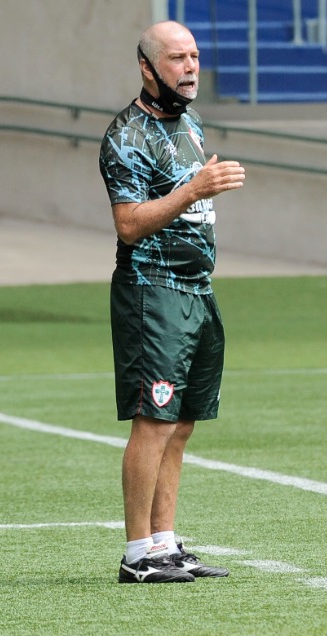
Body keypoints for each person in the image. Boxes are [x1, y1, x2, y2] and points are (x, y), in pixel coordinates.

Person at [98, 20, 246, 583]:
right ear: (147, 66)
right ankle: (138, 554)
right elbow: (129, 224)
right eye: (177, 58)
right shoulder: (125, 136)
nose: (190, 68)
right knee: (153, 420)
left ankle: (165, 543)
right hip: (151, 291)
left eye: (195, 56)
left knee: (182, 423)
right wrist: (193, 192)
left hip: (198, 291)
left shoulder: (192, 124)